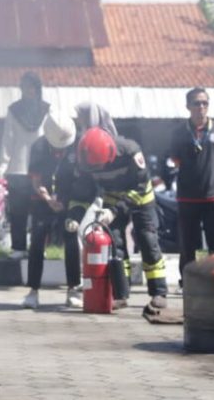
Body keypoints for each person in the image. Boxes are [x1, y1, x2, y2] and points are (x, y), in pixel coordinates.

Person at [70, 127, 169, 313]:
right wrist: (74, 216)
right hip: (112, 198)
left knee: (147, 241)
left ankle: (159, 292)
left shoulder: (131, 151)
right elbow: (83, 192)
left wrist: (115, 211)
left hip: (139, 197)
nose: (99, 170)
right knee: (115, 246)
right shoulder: (86, 161)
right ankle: (120, 294)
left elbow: (140, 186)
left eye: (100, 166)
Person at [169, 88, 214, 285]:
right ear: (188, 106)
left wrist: (212, 172)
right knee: (191, 244)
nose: (201, 107)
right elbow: (175, 159)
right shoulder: (180, 132)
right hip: (188, 196)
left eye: (205, 103)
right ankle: (191, 279)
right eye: (197, 103)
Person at [21, 110, 79, 309]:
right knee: (37, 243)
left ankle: (73, 289)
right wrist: (47, 198)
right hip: (42, 202)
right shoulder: (38, 147)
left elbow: (81, 177)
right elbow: (36, 180)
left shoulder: (77, 145)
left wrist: (67, 201)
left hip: (68, 201)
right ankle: (33, 291)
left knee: (72, 242)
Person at [0, 71, 50, 259]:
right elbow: (8, 138)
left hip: (41, 170)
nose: (28, 91)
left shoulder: (47, 109)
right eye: (25, 87)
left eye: (32, 87)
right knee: (18, 212)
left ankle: (39, 248)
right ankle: (19, 248)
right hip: (17, 169)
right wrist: (3, 163)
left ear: (38, 89)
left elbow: (51, 138)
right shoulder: (13, 110)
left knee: (40, 213)